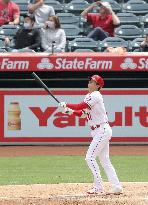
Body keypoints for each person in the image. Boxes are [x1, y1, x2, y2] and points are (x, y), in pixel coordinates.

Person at [59, 75, 123, 195]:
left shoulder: (96, 95)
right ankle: (116, 186)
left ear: (98, 86)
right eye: (89, 81)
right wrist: (70, 111)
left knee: (90, 157)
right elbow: (83, 113)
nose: (89, 83)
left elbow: (80, 106)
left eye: (92, 82)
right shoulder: (89, 96)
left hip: (101, 130)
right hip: (99, 131)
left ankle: (98, 187)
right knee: (105, 160)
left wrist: (67, 104)